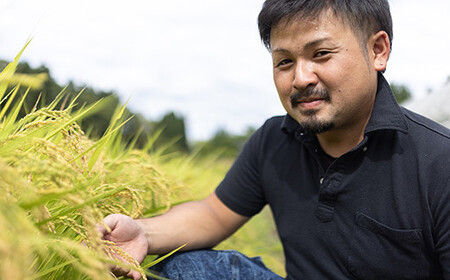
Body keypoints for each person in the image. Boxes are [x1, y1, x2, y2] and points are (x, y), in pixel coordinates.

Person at [101, 0, 450, 279]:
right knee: (186, 269)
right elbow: (212, 213)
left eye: (321, 54)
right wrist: (143, 233)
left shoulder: (438, 161)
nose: (299, 78)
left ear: (378, 50)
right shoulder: (274, 140)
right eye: (284, 61)